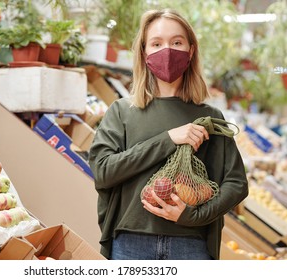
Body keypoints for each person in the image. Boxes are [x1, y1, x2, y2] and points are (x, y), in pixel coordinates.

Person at [88, 8, 248, 260]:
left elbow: (237, 183)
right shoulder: (122, 112)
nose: (167, 50)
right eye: (156, 43)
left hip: (191, 244)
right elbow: (103, 172)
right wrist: (168, 139)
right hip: (131, 241)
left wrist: (194, 216)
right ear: (144, 52)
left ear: (191, 50)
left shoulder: (210, 117)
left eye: (177, 42)